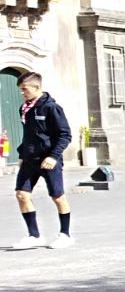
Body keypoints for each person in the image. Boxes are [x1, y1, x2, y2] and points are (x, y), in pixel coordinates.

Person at [11, 72, 73, 250]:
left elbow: (65, 135)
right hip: (30, 160)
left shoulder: (51, 108)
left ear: (37, 88)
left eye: (25, 89)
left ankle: (65, 234)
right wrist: (23, 155)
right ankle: (34, 235)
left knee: (57, 196)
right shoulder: (25, 108)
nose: (22, 93)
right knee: (22, 195)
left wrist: (53, 156)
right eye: (21, 90)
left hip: (49, 160)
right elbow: (29, 135)